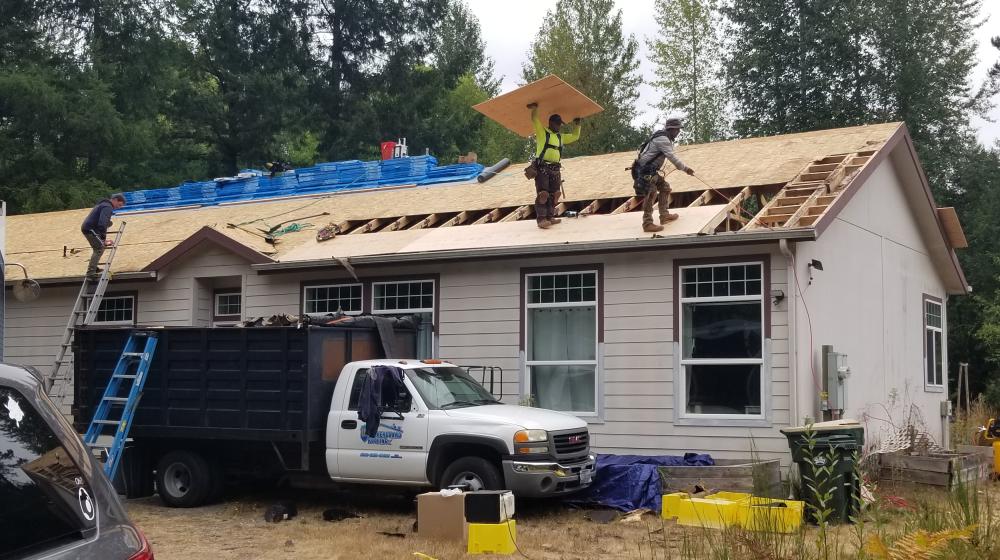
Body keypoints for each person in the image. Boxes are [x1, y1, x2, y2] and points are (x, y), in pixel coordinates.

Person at [633, 117, 695, 232]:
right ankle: (647, 224)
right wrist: (686, 169)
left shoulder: (663, 137)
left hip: (650, 170)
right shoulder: (663, 139)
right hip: (645, 171)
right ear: (671, 129)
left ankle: (664, 215)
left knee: (665, 188)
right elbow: (672, 157)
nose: (679, 132)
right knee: (651, 193)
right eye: (677, 129)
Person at [527, 103, 582, 229]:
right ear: (551, 123)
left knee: (555, 194)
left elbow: (575, 136)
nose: (559, 126)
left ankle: (550, 217)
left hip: (555, 169)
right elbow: (535, 119)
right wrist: (535, 109)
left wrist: (578, 124)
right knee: (543, 194)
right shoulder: (542, 133)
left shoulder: (560, 137)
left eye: (560, 124)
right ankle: (541, 219)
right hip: (543, 168)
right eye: (557, 124)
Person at [81, 194, 126, 277]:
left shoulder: (103, 204)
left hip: (89, 228)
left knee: (99, 247)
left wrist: (108, 224)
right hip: (91, 229)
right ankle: (91, 273)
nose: (118, 207)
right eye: (119, 205)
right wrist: (103, 238)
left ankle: (94, 267)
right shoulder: (108, 207)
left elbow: (103, 221)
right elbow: (102, 223)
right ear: (115, 200)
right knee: (99, 248)